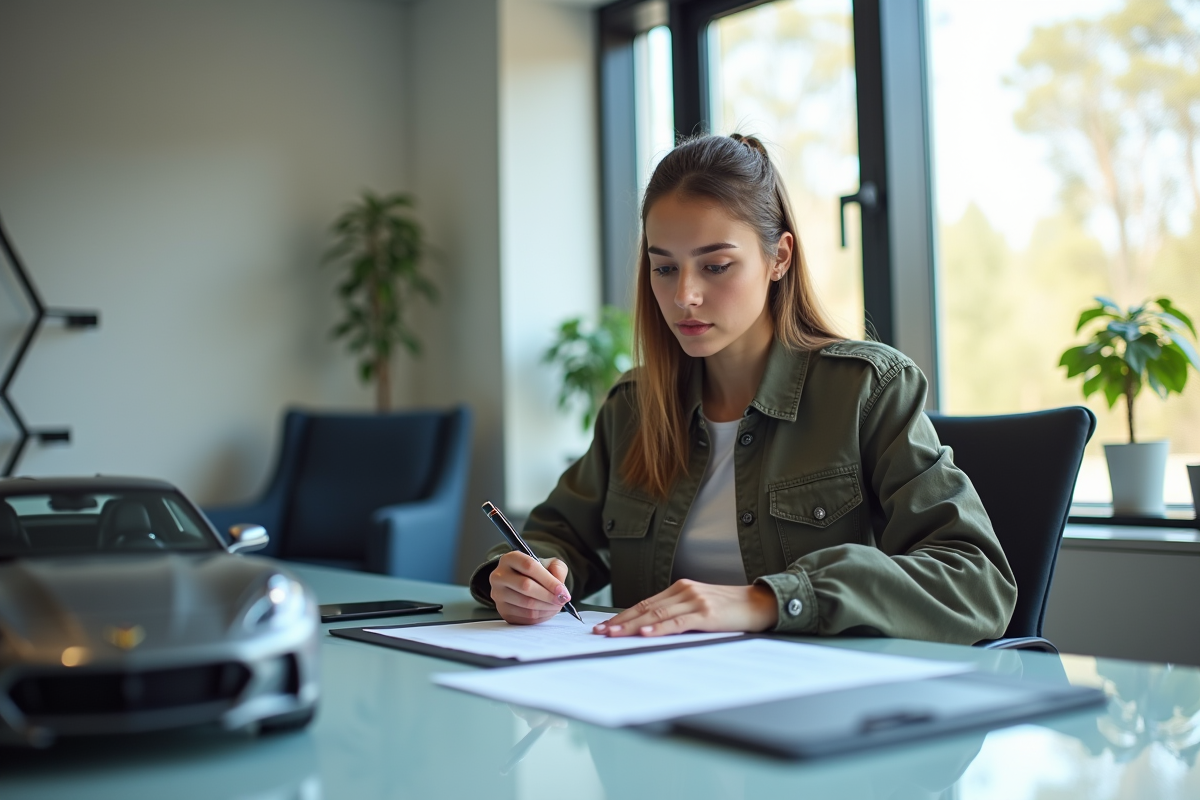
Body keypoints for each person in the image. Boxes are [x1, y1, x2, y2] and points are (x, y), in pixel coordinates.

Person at [470, 134, 1017, 643]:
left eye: (715, 266)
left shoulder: (866, 391)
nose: (684, 296)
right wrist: (522, 577)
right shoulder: (633, 408)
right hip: (649, 694)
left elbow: (976, 580)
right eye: (665, 269)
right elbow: (555, 538)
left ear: (779, 257)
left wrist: (768, 600)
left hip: (815, 698)